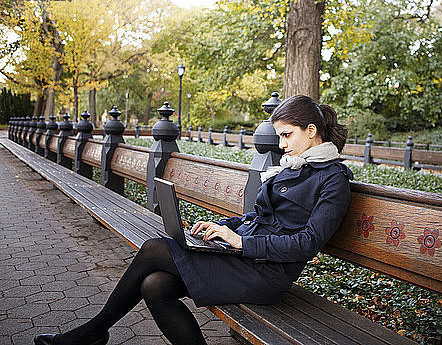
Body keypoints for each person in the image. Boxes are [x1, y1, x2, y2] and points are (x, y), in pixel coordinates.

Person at [34, 94, 353, 345]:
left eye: (287, 135)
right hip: (245, 258)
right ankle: (93, 333)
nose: (281, 145)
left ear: (311, 131)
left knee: (155, 249)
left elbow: (307, 244)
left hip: (267, 274)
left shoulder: (332, 180)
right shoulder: (292, 165)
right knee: (155, 285)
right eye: (279, 136)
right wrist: (224, 227)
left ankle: (92, 333)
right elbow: (258, 217)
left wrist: (240, 242)